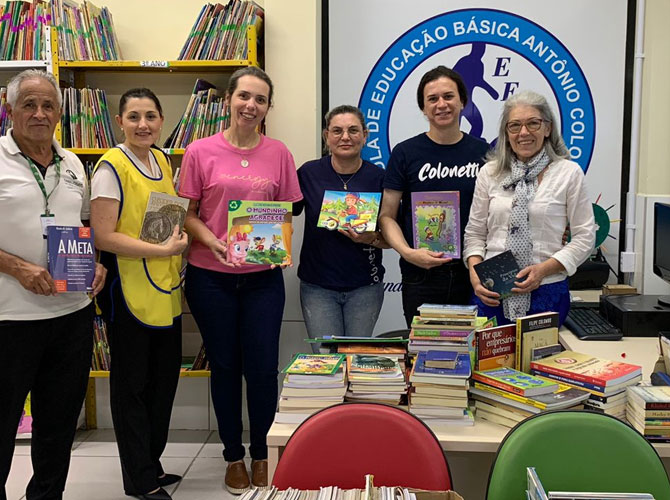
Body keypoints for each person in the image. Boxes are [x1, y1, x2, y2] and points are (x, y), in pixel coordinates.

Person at [0, 69, 107, 500]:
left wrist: (95, 264)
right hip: (10, 320)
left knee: (57, 431)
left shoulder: (73, 164)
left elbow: (80, 226)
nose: (39, 113)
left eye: (48, 105)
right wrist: (18, 268)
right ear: (10, 109)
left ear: (59, 113)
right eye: (29, 104)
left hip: (71, 316)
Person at [178, 66, 302, 494]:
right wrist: (211, 240)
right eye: (244, 96)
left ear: (268, 107)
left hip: (262, 280)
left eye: (260, 99)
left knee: (263, 369)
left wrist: (278, 243)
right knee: (226, 367)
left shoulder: (279, 153)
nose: (251, 105)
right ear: (229, 99)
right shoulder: (199, 151)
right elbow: (187, 213)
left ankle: (263, 453)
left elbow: (285, 211)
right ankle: (233, 455)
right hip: (210, 278)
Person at [90, 88, 188, 500]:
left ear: (162, 120)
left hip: (163, 288)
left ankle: (152, 461)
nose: (143, 124)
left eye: (150, 116)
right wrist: (161, 250)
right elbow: (103, 235)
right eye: (133, 117)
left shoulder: (161, 159)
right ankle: (139, 478)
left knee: (163, 382)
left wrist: (173, 246)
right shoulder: (110, 167)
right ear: (120, 122)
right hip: (127, 289)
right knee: (131, 386)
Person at [463, 90, 596, 325]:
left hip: (547, 291)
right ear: (506, 133)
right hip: (492, 293)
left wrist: (542, 270)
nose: (523, 133)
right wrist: (475, 276)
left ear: (548, 128)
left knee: (541, 351)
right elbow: (474, 234)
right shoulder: (489, 173)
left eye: (533, 123)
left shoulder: (568, 173)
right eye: (514, 126)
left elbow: (585, 237)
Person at [378, 65, 491, 326]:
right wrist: (408, 253)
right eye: (432, 99)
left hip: (472, 271)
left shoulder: (484, 152)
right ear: (423, 108)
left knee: (472, 346)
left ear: (463, 101)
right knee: (424, 347)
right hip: (421, 274)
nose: (441, 104)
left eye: (448, 96)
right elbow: (387, 216)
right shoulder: (405, 153)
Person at [294, 105, 389, 349]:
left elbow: (393, 238)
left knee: (355, 360)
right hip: (317, 288)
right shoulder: (308, 173)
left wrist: (370, 238)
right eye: (337, 131)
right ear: (327, 136)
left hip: (365, 287)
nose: (345, 137)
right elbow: (283, 212)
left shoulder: (380, 178)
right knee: (326, 362)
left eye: (353, 130)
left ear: (365, 136)